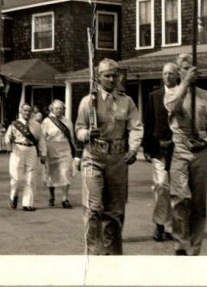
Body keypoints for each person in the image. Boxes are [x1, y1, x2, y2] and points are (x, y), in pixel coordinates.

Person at [75, 58, 143, 255]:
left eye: (115, 75)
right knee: (94, 208)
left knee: (115, 212)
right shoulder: (88, 102)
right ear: (98, 77)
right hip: (93, 157)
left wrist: (133, 148)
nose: (112, 79)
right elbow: (79, 129)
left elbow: (136, 127)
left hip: (117, 159)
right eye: (107, 76)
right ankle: (93, 254)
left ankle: (112, 255)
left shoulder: (126, 101)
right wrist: (87, 134)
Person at [163, 53, 207, 256]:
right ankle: (180, 244)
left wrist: (206, 141)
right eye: (184, 68)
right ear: (178, 71)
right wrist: (185, 84)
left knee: (198, 202)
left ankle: (194, 248)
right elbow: (172, 107)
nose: (189, 72)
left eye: (192, 68)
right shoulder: (172, 93)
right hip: (180, 148)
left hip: (200, 151)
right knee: (180, 197)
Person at [142, 62, 177, 243]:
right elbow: (148, 123)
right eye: (165, 74)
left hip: (179, 149)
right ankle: (159, 224)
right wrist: (147, 148)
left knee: (176, 189)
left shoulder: (184, 94)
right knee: (161, 186)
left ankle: (172, 227)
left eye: (171, 73)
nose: (168, 77)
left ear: (177, 75)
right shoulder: (154, 96)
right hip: (160, 148)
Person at [5, 104, 47, 211]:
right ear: (21, 111)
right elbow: (7, 137)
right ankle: (14, 195)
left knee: (31, 177)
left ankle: (27, 203)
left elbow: (41, 139)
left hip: (31, 149)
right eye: (25, 110)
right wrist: (8, 145)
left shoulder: (36, 125)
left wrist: (43, 153)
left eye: (29, 111)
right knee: (16, 177)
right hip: (17, 149)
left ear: (32, 112)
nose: (27, 113)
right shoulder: (14, 124)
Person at [41, 99, 76, 209]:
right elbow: (42, 138)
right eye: (57, 108)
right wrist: (42, 152)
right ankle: (52, 196)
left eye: (61, 108)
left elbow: (72, 138)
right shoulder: (46, 121)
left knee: (65, 173)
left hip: (65, 149)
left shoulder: (68, 122)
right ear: (52, 109)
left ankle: (65, 199)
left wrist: (74, 150)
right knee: (51, 174)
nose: (59, 110)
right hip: (51, 149)